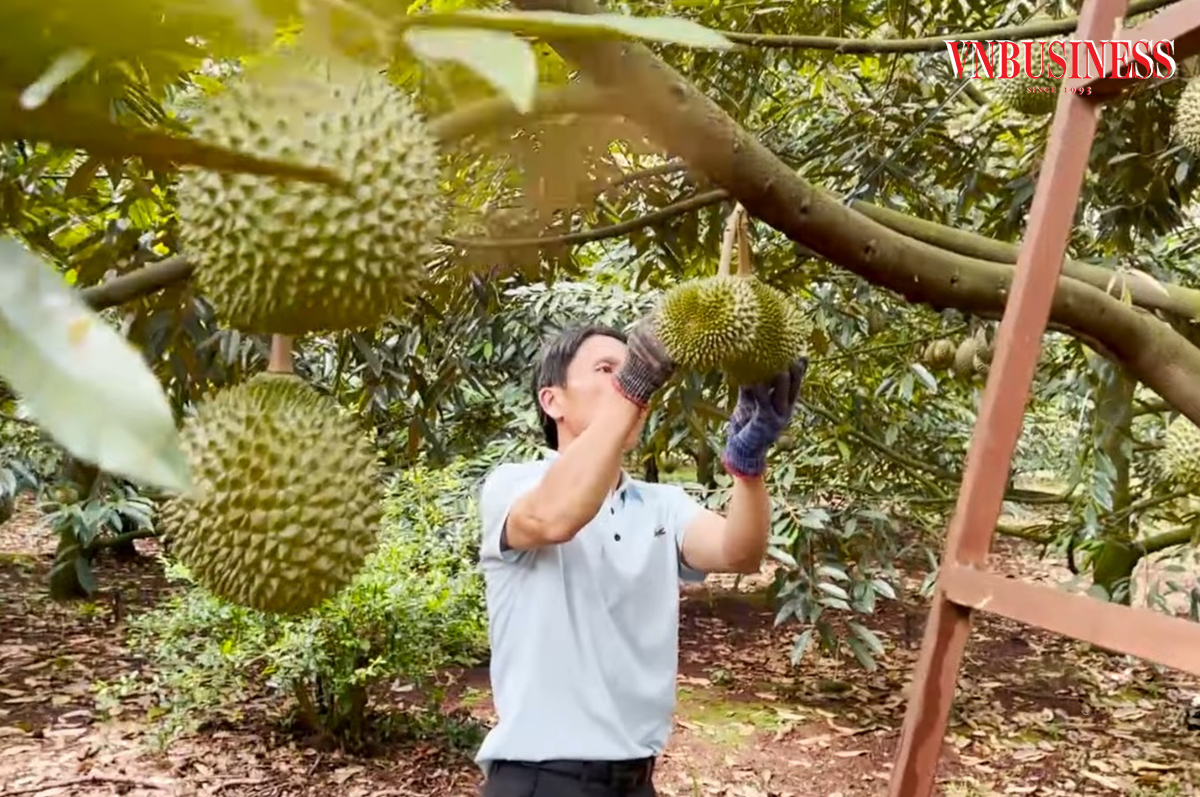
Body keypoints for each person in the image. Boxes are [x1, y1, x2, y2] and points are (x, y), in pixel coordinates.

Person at [475, 314, 807, 797]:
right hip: (539, 778)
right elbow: (556, 519)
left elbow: (740, 553)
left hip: (636, 780)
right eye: (607, 370)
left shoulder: (661, 505)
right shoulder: (515, 485)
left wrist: (748, 464)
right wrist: (632, 387)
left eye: (631, 373)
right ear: (553, 401)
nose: (629, 386)